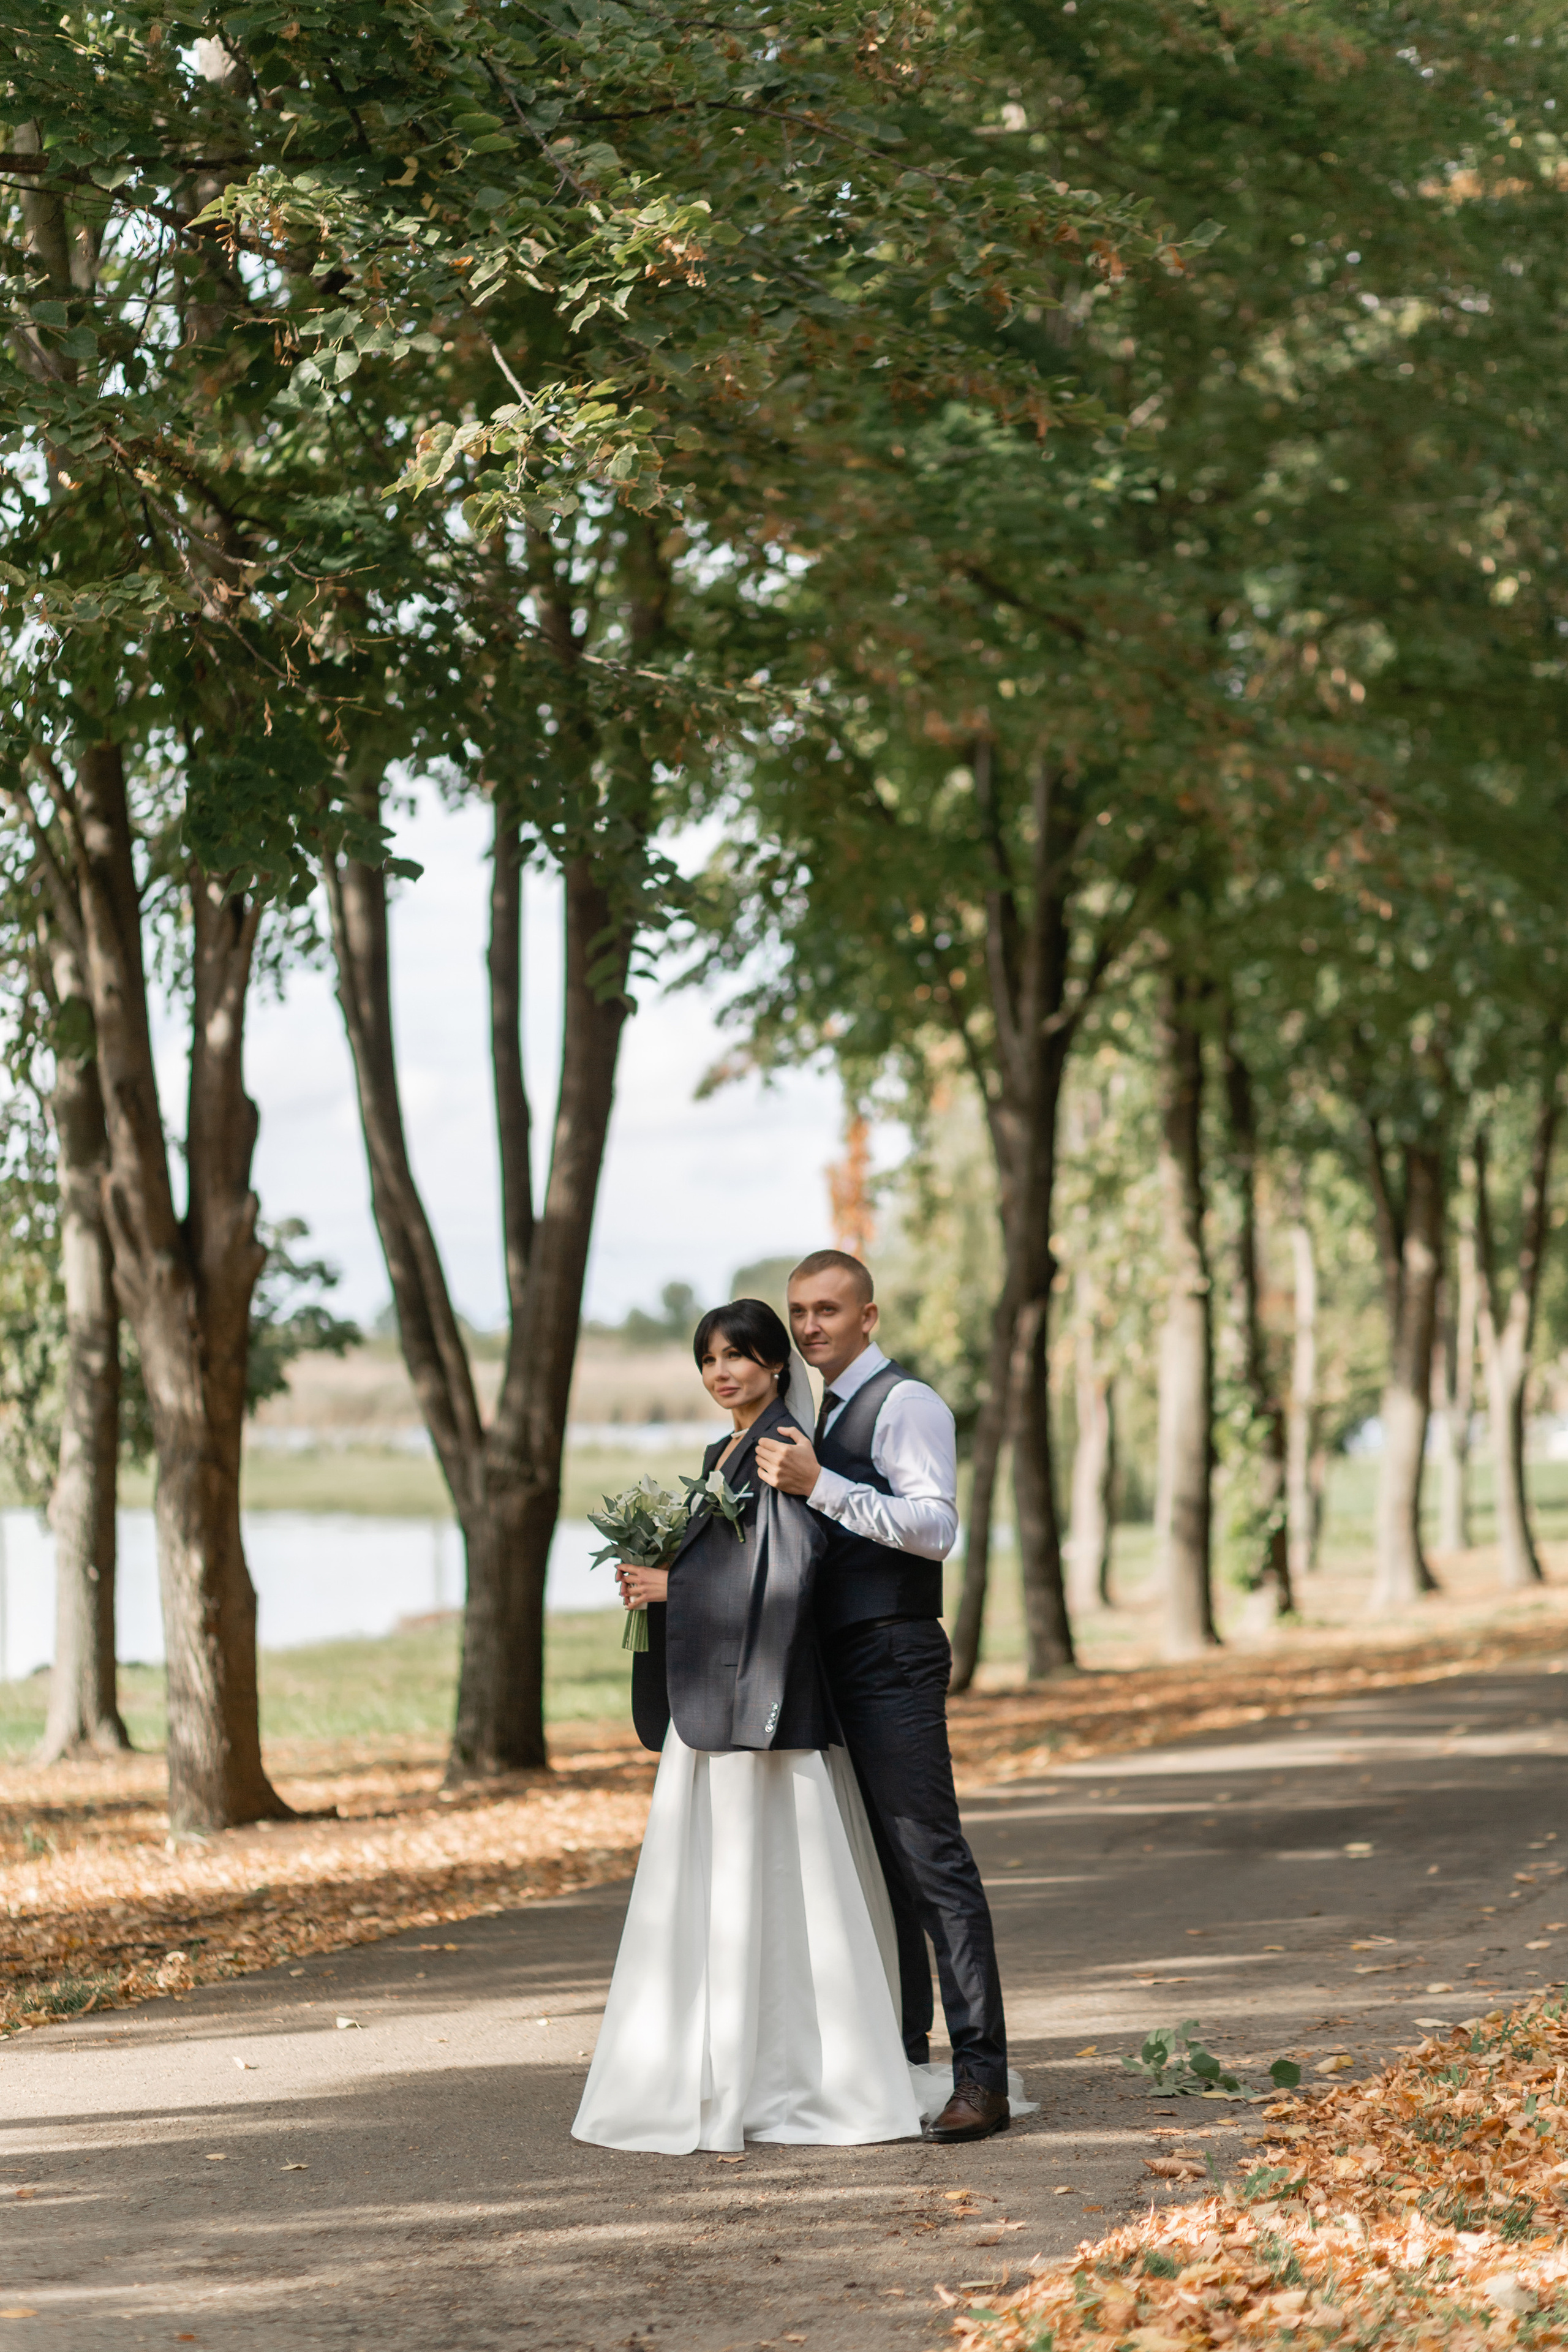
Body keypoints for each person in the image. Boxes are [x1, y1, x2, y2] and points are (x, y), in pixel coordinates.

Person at [571, 1299, 924, 2155]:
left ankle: (785, 2068)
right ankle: (715, 2056)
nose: (722, 1372)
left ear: (774, 1366)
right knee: (717, 1884)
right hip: (712, 1701)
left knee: (772, 1880)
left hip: (766, 1709)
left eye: (739, 1356)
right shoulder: (717, 1453)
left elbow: (788, 1575)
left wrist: (673, 1591)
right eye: (709, 1359)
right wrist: (661, 1573)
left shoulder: (781, 1449)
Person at [754, 1250, 1013, 2144]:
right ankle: (904, 2057)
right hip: (831, 1667)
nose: (811, 1325)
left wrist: (822, 1485)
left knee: (932, 1866)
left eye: (828, 1309)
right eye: (798, 1311)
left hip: (894, 1656)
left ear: (869, 1316)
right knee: (878, 1875)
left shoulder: (906, 1404)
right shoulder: (811, 1417)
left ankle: (983, 2078)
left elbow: (937, 1527)